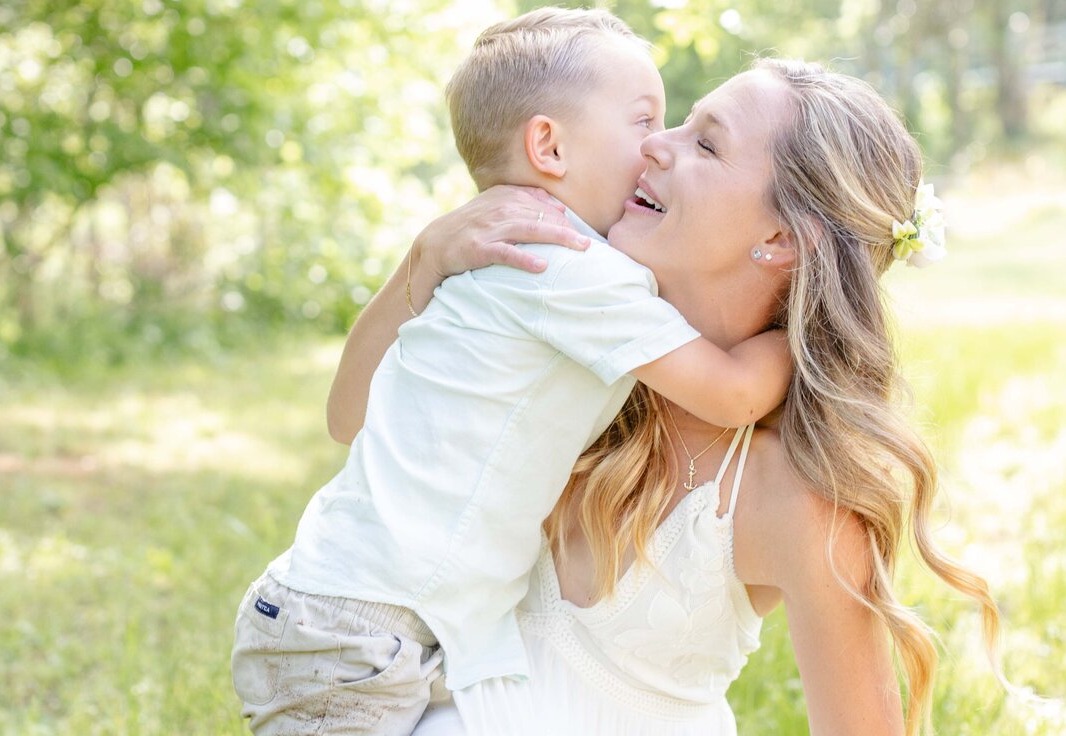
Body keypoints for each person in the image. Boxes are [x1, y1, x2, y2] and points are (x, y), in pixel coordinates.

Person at [331, 59, 1004, 736]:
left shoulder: (794, 495)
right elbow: (350, 419)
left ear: (781, 239)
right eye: (677, 122)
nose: (655, 143)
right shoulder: (565, 343)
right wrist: (425, 261)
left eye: (705, 144)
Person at [230, 8, 792, 736]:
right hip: (361, 633)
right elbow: (735, 394)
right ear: (548, 146)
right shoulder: (569, 272)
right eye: (642, 119)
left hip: (342, 613)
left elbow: (346, 421)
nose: (658, 145)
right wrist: (809, 326)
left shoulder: (495, 258)